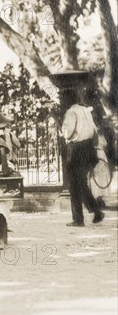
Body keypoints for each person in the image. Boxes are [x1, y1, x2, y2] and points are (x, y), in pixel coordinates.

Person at [60, 89, 104, 226]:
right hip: (88, 148)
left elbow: (67, 133)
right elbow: (94, 130)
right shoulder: (85, 110)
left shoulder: (70, 112)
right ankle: (95, 211)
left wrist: (64, 133)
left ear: (68, 99)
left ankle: (79, 219)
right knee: (81, 182)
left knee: (74, 184)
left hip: (77, 149)